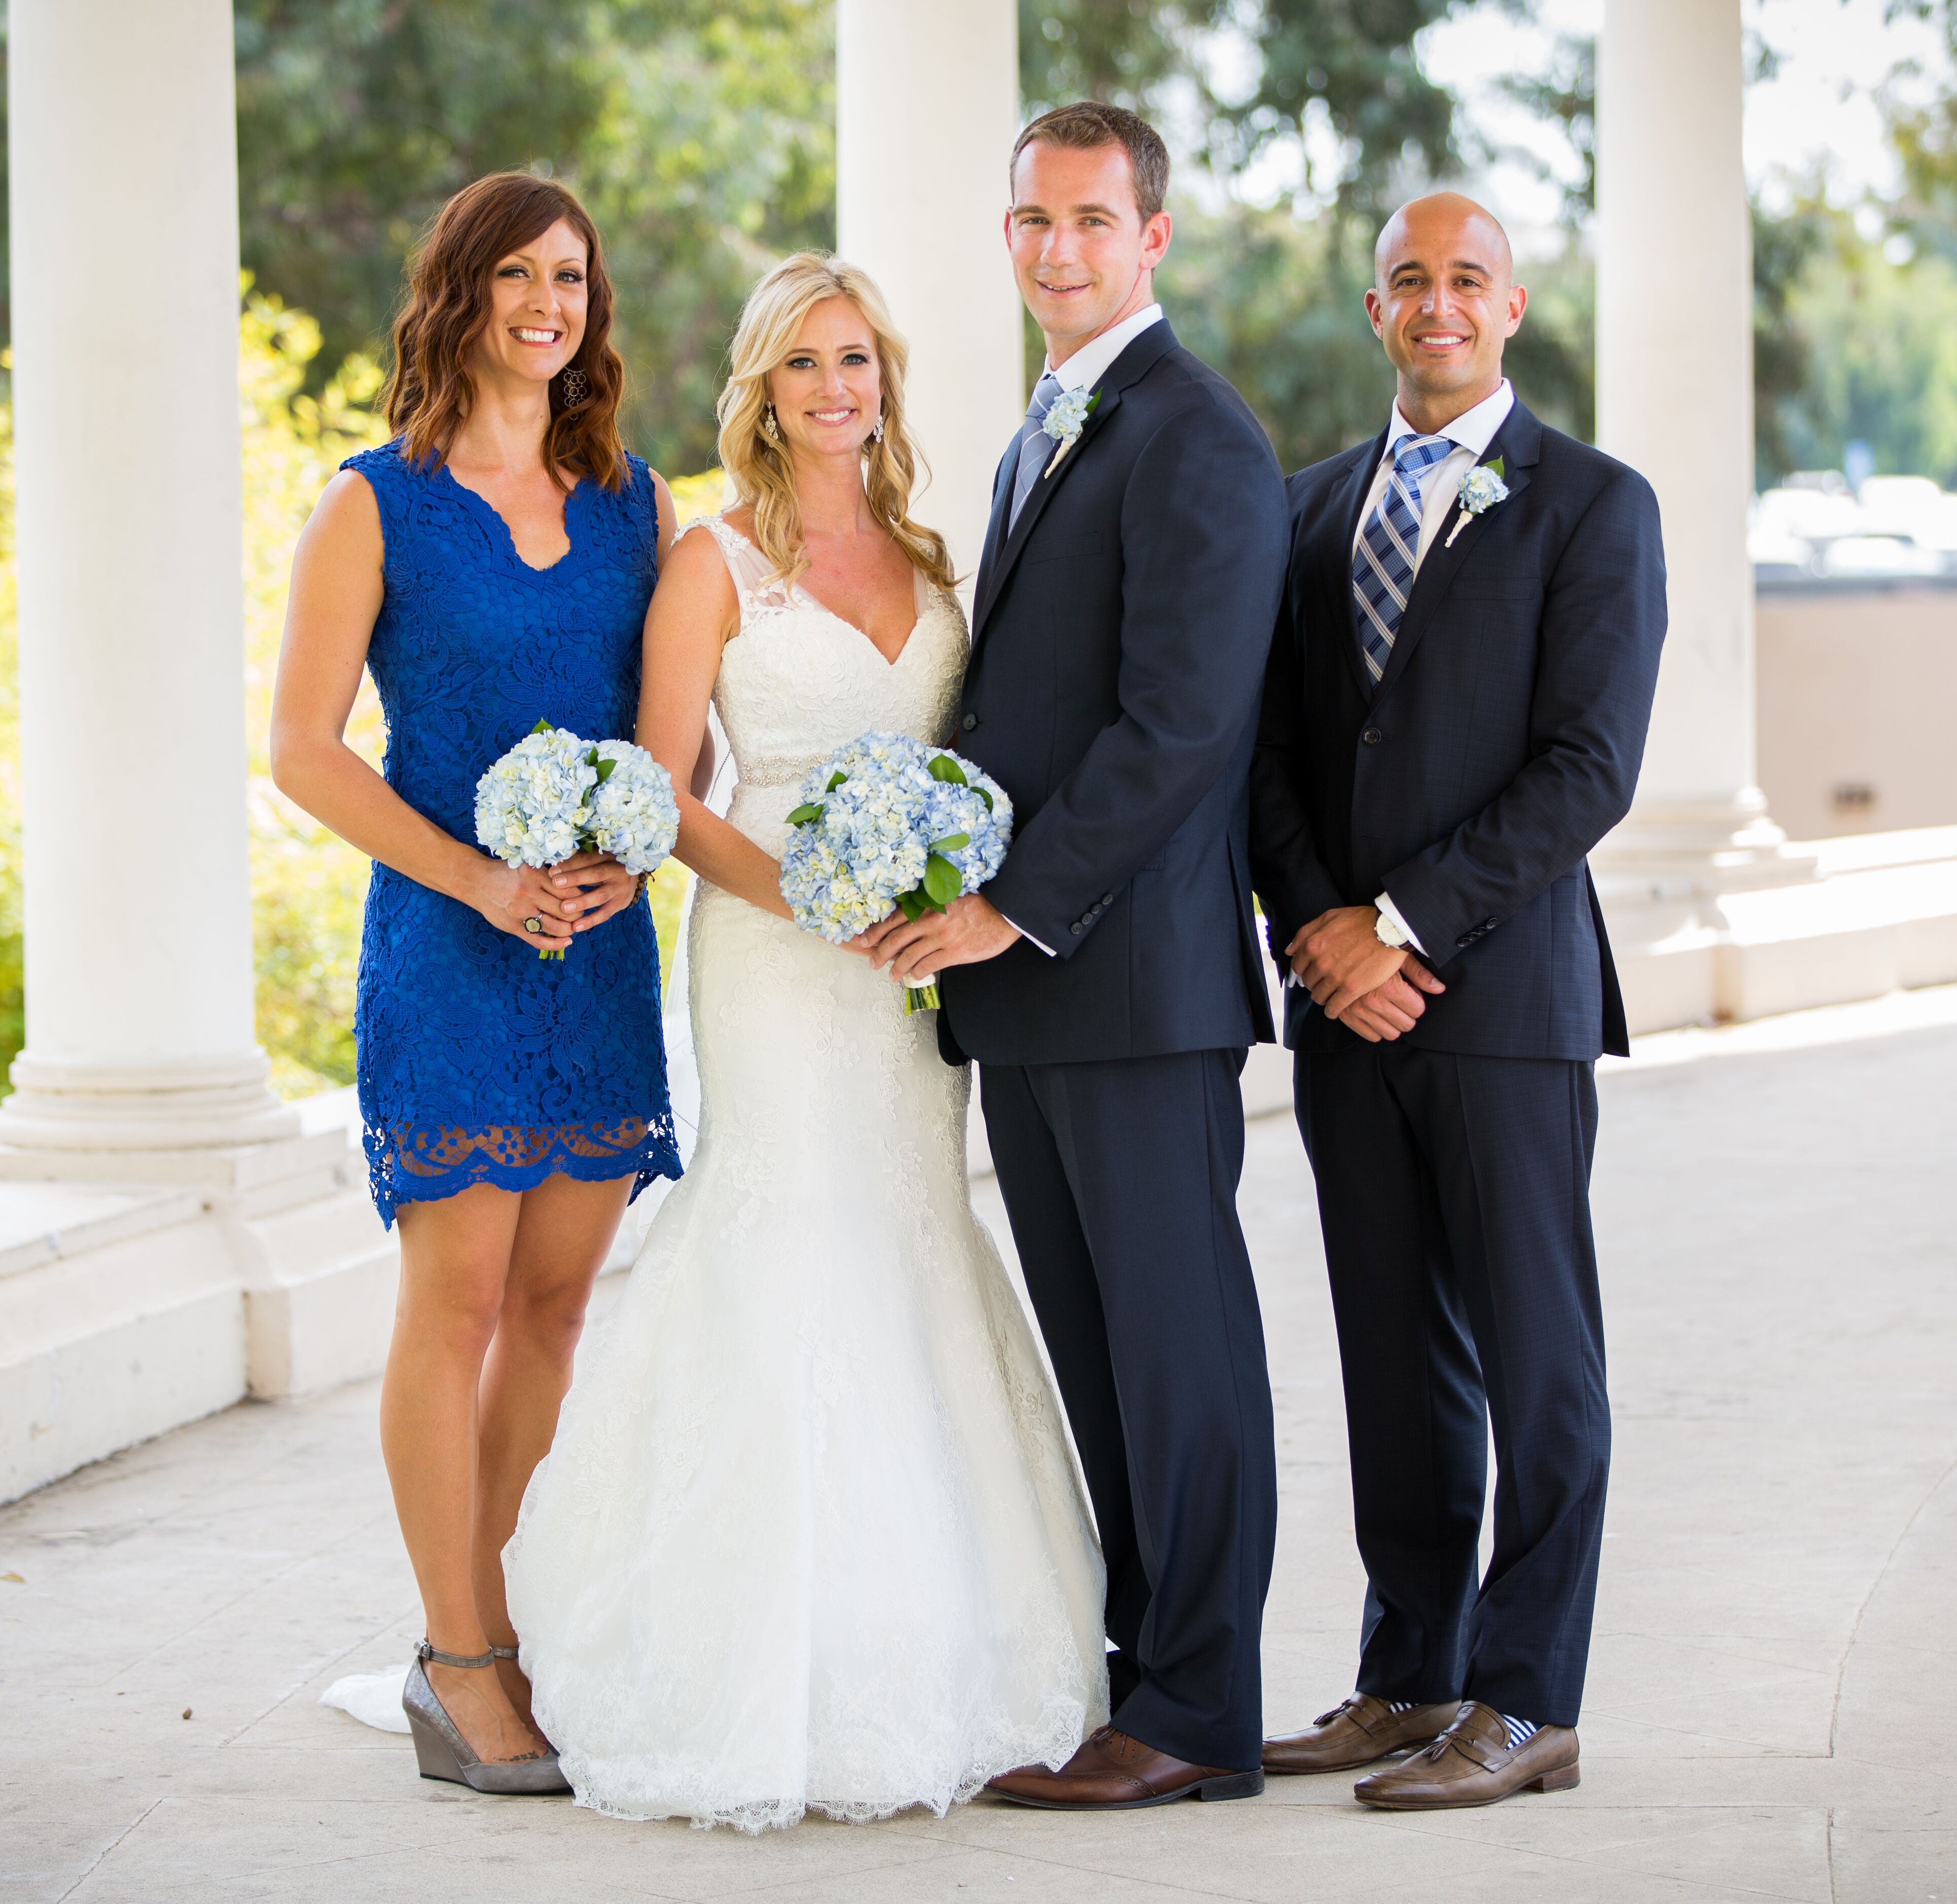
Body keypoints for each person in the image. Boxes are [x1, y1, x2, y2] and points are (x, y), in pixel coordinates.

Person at [499, 253, 1106, 1833]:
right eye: (805, 365)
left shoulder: (928, 551)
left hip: (914, 972)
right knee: (788, 1241)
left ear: (885, 381)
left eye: (859, 361)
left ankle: (949, 1645)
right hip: (775, 957)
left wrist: (936, 896)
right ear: (762, 389)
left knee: (911, 1236)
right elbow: (666, 787)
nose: (837, 389)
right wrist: (812, 899)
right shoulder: (713, 562)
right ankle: (740, 1664)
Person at [859, 101, 1288, 1812]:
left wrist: (1011, 902)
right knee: (1098, 1352)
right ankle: (1138, 1678)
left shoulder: (1196, 436)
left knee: (1179, 1352)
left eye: (1092, 223)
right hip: (1029, 992)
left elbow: (1180, 728)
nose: (1057, 250)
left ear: (1154, 238)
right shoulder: (1046, 425)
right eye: (1033, 221)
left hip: (1126, 978)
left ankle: (1200, 1712)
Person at [1248, 192, 1667, 1809]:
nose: (1437, 302)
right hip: (1344, 1009)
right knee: (1391, 1358)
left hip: (1501, 1004)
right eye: (1408, 279)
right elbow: (1271, 755)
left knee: (1536, 1355)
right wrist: (1319, 932)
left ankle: (1526, 1696)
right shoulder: (1306, 510)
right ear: (1375, 312)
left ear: (1510, 306)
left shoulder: (1594, 506)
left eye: (1466, 278)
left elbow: (1591, 767)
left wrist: (1403, 924)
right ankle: (1406, 1675)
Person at [270, 172, 682, 1797]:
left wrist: (628, 853)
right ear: (458, 292)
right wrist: (479, 880)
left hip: (594, 945)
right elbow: (303, 750)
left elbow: (676, 723)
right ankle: (457, 1660)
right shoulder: (371, 505)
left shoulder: (636, 500)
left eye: (571, 276)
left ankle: (504, 1622)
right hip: (448, 940)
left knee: (560, 1303)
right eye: (515, 273)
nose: (546, 302)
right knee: (453, 1304)